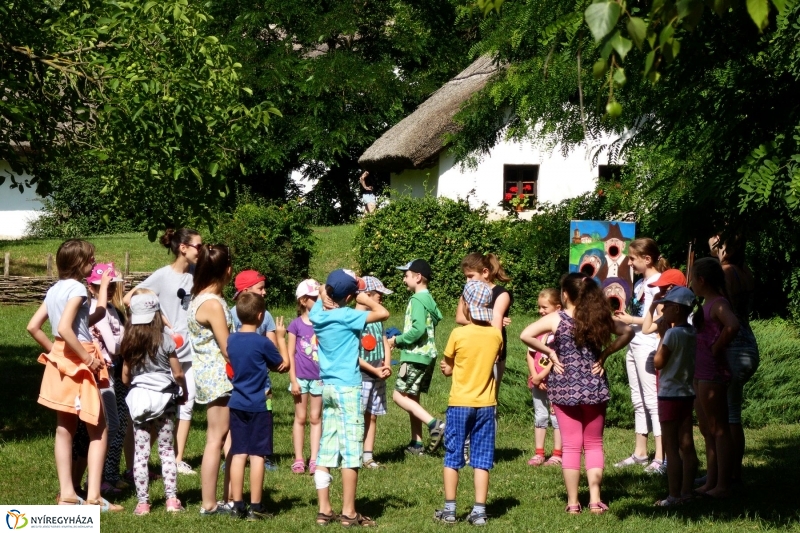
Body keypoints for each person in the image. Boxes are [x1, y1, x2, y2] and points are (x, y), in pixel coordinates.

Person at [520, 272, 634, 514]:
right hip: (594, 385)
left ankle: (573, 503)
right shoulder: (599, 318)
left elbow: (525, 335)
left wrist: (550, 353)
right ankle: (595, 500)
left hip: (563, 387)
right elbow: (628, 332)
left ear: (564, 295)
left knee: (571, 446)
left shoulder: (556, 319)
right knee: (594, 444)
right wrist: (605, 355)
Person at [26, 239, 122, 511]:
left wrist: (56, 355)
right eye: (91, 259)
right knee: (99, 429)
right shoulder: (78, 288)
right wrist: (87, 358)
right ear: (78, 262)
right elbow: (68, 328)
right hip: (82, 358)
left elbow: (34, 326)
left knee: (64, 427)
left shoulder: (55, 289)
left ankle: (67, 494)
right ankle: (93, 497)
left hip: (62, 358)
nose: (93, 263)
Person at [309, 269, 389, 527]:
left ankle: (324, 510)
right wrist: (364, 298)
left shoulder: (317, 315)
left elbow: (323, 292)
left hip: (327, 387)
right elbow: (383, 314)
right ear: (350, 295)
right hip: (348, 389)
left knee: (326, 448)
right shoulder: (348, 316)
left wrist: (327, 291)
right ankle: (349, 513)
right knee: (351, 451)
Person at [124, 227, 201, 475]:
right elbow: (129, 299)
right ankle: (136, 463)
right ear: (183, 248)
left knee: (187, 403)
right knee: (160, 405)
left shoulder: (198, 274)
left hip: (192, 347)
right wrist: (160, 318)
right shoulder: (162, 276)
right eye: (198, 246)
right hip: (168, 349)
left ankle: (177, 460)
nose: (202, 250)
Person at [434, 281, 503, 526]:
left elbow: (448, 367)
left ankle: (450, 510)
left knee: (453, 454)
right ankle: (479, 511)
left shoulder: (457, 334)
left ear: (466, 304)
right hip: (486, 404)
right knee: (482, 459)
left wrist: (448, 368)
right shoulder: (496, 335)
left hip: (460, 403)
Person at [121, 290, 189, 515]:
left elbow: (124, 377)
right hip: (165, 401)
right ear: (157, 315)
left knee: (141, 455)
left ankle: (143, 503)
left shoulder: (128, 341)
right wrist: (184, 391)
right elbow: (178, 373)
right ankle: (171, 500)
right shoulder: (166, 340)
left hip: (140, 402)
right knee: (166, 450)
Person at [227, 292, 289, 520]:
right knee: (257, 455)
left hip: (237, 402)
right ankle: (256, 506)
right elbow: (283, 365)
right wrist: (281, 338)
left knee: (238, 452)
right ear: (261, 316)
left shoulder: (231, 340)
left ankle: (236, 505)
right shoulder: (263, 342)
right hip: (259, 405)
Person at [613, 238, 670, 473]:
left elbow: (661, 318)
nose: (629, 261)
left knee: (652, 400)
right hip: (633, 344)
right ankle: (640, 452)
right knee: (638, 399)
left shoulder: (660, 283)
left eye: (633, 258)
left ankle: (661, 456)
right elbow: (639, 311)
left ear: (647, 259)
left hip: (648, 345)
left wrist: (632, 320)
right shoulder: (639, 284)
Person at [188, 244, 236, 515]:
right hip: (220, 377)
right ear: (226, 271)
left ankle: (230, 496)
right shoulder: (213, 304)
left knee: (224, 437)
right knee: (216, 439)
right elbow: (227, 348)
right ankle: (209, 503)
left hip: (209, 375)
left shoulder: (199, 298)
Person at [71, 264, 126, 496]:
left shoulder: (112, 309)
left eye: (113, 285)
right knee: (99, 429)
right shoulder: (96, 309)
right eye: (102, 285)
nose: (109, 289)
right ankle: (89, 484)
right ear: (90, 287)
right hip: (97, 372)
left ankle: (94, 481)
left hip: (108, 373)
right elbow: (114, 346)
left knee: (108, 428)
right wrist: (130, 336)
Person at [710, 233, 759, 483]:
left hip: (732, 346)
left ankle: (725, 475)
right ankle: (732, 472)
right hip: (749, 344)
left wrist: (715, 348)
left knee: (726, 416)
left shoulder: (727, 271)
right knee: (733, 414)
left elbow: (721, 305)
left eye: (719, 244)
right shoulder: (745, 271)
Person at [691, 257, 739, 498]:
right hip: (700, 373)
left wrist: (716, 347)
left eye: (692, 278)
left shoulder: (718, 304)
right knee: (707, 429)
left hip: (714, 373)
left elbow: (732, 325)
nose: (690, 283)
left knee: (719, 429)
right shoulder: (705, 303)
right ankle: (711, 481)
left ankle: (723, 485)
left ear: (701, 280)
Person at [388, 259, 444, 455]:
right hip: (427, 356)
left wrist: (397, 341)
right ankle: (416, 443)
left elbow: (418, 329)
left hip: (414, 356)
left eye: (406, 275)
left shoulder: (416, 300)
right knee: (412, 397)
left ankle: (435, 424)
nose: (404, 280)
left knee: (398, 396)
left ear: (418, 277)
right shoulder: (429, 299)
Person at [651, 286, 698, 506]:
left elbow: (658, 363)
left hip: (669, 395)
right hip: (687, 393)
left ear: (677, 310)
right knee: (687, 443)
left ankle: (673, 496)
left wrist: (661, 336)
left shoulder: (672, 333)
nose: (663, 310)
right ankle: (687, 491)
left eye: (667, 306)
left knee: (671, 446)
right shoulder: (692, 332)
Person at [229, 269, 280, 471]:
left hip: (260, 379)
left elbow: (271, 343)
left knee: (263, 417)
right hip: (237, 377)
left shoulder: (266, 314)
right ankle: (236, 454)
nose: (265, 292)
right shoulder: (231, 314)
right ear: (247, 290)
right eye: (261, 288)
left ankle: (262, 455)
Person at [456, 253, 512, 397]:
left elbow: (496, 324)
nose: (467, 281)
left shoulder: (501, 294)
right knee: (468, 393)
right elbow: (460, 318)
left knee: (490, 395)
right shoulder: (467, 292)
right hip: (470, 347)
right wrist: (487, 320)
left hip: (491, 349)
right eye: (466, 277)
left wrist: (495, 352)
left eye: (470, 276)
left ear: (485, 272)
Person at [356, 276, 394, 469]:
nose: (381, 298)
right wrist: (374, 370)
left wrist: (387, 364)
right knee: (356, 416)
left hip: (378, 374)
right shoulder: (357, 320)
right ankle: (352, 454)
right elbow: (353, 354)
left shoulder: (378, 319)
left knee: (372, 415)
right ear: (366, 295)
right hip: (362, 376)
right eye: (379, 294)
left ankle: (368, 456)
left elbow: (385, 342)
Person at [288, 279, 323, 475]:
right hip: (300, 379)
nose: (318, 300)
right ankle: (299, 458)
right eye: (314, 298)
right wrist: (293, 380)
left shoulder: (323, 323)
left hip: (319, 378)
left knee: (315, 418)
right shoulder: (295, 325)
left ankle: (315, 459)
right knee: (300, 417)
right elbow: (291, 354)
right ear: (303, 301)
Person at [526, 288, 562, 467]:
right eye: (539, 307)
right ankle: (539, 452)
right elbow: (530, 354)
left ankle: (557, 453)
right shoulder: (538, 328)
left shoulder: (559, 330)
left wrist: (541, 375)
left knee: (556, 417)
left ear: (557, 307)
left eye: (544, 307)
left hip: (555, 380)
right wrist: (534, 376)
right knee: (540, 415)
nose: (541, 311)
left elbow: (557, 357)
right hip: (537, 380)